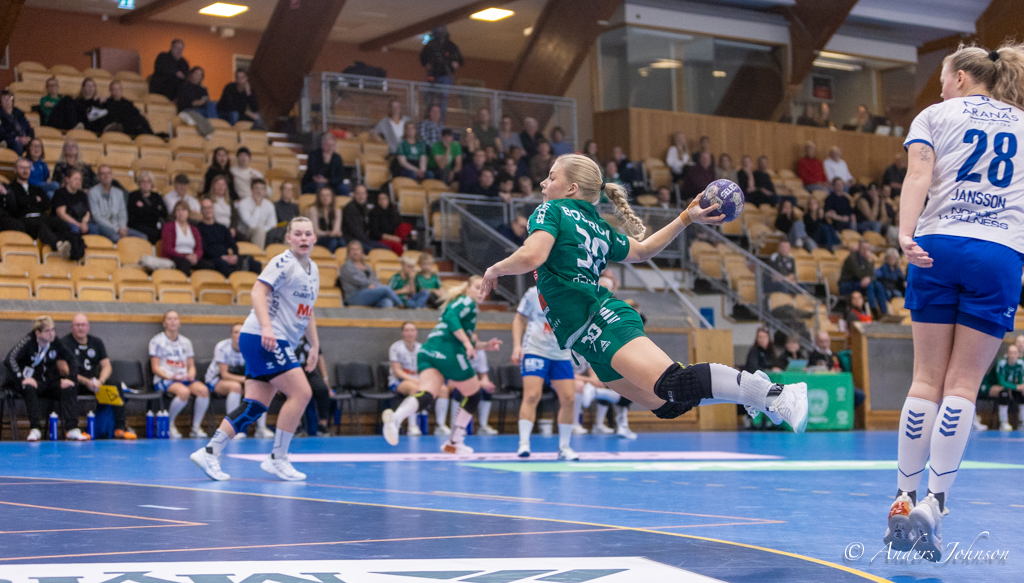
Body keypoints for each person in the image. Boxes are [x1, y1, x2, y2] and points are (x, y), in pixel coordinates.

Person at [480, 154, 809, 445]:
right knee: (668, 405)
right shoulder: (597, 225)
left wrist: (495, 269)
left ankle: (776, 394)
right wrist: (686, 217)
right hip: (584, 337)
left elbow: (532, 255)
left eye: (551, 177)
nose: (543, 183)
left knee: (673, 384)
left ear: (571, 188)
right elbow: (642, 251)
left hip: (600, 320)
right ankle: (752, 391)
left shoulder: (550, 210)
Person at [883, 44, 1024, 561]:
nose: (941, 88)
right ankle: (936, 503)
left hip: (937, 245)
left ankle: (904, 497)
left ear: (961, 77)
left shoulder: (935, 115)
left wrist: (904, 235)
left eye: (943, 78)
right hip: (998, 252)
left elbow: (918, 177)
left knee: (925, 381)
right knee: (963, 386)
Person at [191, 217, 321, 481]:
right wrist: (267, 328)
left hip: (272, 339)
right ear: (289, 238)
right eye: (298, 234)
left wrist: (314, 344)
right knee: (301, 393)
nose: (304, 238)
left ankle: (210, 452)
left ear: (314, 238)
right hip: (265, 336)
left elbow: (307, 311)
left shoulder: (313, 270)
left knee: (256, 405)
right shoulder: (283, 262)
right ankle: (278, 458)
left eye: (308, 234)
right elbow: (257, 292)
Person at [380, 276, 502, 453]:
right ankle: (454, 442)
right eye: (478, 287)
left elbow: (455, 334)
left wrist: (484, 346)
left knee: (427, 395)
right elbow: (450, 317)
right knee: (474, 395)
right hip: (448, 352)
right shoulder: (467, 302)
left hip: (429, 351)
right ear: (467, 288)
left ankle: (396, 419)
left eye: (485, 289)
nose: (482, 292)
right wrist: (467, 343)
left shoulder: (462, 305)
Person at [512, 285, 579, 460]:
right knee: (532, 395)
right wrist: (517, 346)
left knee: (569, 399)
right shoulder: (533, 292)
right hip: (535, 349)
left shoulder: (573, 293)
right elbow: (519, 318)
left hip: (561, 354)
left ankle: (564, 447)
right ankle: (524, 443)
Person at [6, 316, 85, 442]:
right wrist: (21, 378)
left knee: (69, 387)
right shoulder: (28, 341)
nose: (52, 334)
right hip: (34, 382)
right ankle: (35, 429)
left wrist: (71, 379)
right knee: (29, 387)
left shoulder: (55, 342)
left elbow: (72, 359)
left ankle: (72, 429)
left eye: (53, 330)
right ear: (38, 333)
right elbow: (10, 359)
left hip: (51, 382)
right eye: (47, 331)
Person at [64, 313, 134, 439]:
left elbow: (107, 366)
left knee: (115, 385)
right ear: (72, 327)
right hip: (77, 381)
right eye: (77, 325)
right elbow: (64, 370)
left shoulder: (96, 342)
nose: (81, 328)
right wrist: (86, 381)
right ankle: (72, 429)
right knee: (68, 387)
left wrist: (100, 381)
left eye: (83, 325)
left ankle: (120, 428)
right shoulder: (65, 343)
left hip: (95, 384)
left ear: (88, 326)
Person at [150, 310, 208, 439]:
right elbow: (155, 367)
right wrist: (169, 376)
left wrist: (191, 375)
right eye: (169, 319)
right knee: (184, 392)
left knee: (203, 390)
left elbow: (191, 366)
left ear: (179, 323)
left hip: (183, 377)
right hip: (165, 379)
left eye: (175, 319)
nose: (173, 322)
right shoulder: (157, 341)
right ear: (164, 323)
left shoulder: (186, 342)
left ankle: (196, 427)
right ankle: (169, 424)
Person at [8, 157, 79, 260]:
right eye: (22, 168)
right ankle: (58, 245)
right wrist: (34, 200)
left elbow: (46, 204)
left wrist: (27, 201)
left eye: (27, 168)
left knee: (61, 224)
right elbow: (16, 204)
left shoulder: (36, 188)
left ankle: (74, 250)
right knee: (40, 226)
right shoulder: (10, 188)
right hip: (24, 219)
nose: (25, 170)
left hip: (41, 216)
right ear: (15, 170)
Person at [387, 322, 437, 435]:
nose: (410, 333)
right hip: (398, 382)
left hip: (419, 381)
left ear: (416, 332)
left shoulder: (421, 348)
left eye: (412, 330)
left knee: (440, 390)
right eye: (407, 330)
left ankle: (440, 425)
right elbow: (397, 371)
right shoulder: (396, 347)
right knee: (415, 389)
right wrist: (415, 380)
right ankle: (412, 425)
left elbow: (426, 368)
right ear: (402, 333)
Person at [205, 324, 248, 435]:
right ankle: (232, 428)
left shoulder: (250, 347)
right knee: (235, 387)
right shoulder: (222, 347)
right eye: (236, 332)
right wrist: (246, 380)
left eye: (241, 332)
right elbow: (224, 375)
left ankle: (261, 428)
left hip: (238, 379)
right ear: (231, 335)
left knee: (259, 388)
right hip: (215, 380)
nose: (239, 335)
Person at [88, 165, 146, 242]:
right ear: (98, 177)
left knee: (143, 238)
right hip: (103, 226)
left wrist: (122, 227)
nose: (106, 176)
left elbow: (122, 214)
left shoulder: (119, 193)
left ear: (112, 176)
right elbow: (97, 218)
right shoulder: (93, 192)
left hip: (119, 227)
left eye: (108, 173)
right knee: (117, 238)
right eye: (103, 174)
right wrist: (117, 229)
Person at [338, 240, 404, 308]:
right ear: (349, 252)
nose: (355, 252)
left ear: (361, 251)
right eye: (352, 249)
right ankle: (401, 305)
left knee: (387, 302)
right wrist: (369, 285)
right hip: (354, 296)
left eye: (357, 249)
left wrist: (375, 286)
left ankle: (390, 314)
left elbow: (374, 279)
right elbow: (358, 281)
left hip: (369, 293)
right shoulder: (346, 267)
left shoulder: (366, 266)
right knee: (386, 288)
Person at [419, 25, 462, 120]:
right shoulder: (430, 45)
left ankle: (441, 120)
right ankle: (429, 117)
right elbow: (422, 57)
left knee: (443, 97)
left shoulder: (450, 46)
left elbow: (459, 59)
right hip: (432, 74)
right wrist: (426, 63)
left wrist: (455, 62)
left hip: (445, 75)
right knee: (427, 93)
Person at [840, 240, 888, 317]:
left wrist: (869, 278)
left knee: (878, 284)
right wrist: (870, 263)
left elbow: (873, 276)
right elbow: (859, 275)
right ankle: (873, 310)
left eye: (868, 248)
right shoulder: (852, 258)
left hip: (860, 283)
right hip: (848, 284)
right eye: (863, 248)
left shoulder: (867, 258)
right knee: (870, 284)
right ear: (859, 248)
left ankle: (884, 312)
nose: (866, 251)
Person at [196, 197, 242, 277]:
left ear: (213, 209)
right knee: (223, 264)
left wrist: (234, 256)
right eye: (205, 208)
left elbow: (232, 244)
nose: (208, 210)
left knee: (251, 262)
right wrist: (221, 257)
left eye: (210, 207)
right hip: (211, 258)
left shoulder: (222, 228)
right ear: (201, 211)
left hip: (227, 257)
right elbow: (204, 248)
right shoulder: (198, 229)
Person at [161, 200, 203, 275]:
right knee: (184, 263)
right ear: (175, 213)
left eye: (183, 210)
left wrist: (195, 256)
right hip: (175, 257)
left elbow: (199, 248)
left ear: (188, 212)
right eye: (178, 210)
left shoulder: (194, 229)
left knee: (208, 265)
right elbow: (168, 249)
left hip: (191, 257)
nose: (181, 213)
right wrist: (185, 256)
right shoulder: (169, 227)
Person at [990, 344, 1024, 432]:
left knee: (1022, 394)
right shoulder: (1002, 363)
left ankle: (1022, 422)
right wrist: (1016, 387)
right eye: (1010, 353)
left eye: (1015, 353)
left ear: (1018, 354)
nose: (1012, 355)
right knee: (1004, 393)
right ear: (1007, 354)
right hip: (1003, 388)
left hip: (1014, 389)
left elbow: (1020, 381)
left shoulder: (1020, 364)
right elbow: (1001, 382)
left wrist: (1020, 387)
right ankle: (1003, 422)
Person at [237, 178, 277, 249]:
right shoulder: (243, 204)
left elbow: (273, 224)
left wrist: (263, 230)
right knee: (259, 231)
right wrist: (258, 206)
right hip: (245, 233)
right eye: (256, 188)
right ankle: (258, 255)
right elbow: (252, 225)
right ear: (251, 190)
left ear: (265, 191)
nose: (259, 191)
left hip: (264, 232)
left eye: (262, 189)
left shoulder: (269, 205)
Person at [342, 184, 385, 250]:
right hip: (353, 241)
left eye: (363, 193)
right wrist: (367, 241)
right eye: (358, 194)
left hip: (363, 239)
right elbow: (355, 231)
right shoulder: (350, 208)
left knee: (386, 249)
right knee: (373, 251)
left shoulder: (364, 207)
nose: (361, 196)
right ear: (354, 195)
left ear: (366, 195)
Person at [52, 168, 92, 235]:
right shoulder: (60, 193)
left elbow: (87, 212)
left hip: (81, 221)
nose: (78, 182)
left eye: (80, 179)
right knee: (75, 229)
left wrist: (84, 223)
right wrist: (78, 224)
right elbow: (62, 214)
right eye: (75, 179)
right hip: (66, 222)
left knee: (94, 228)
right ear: (67, 179)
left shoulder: (82, 195)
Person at [369, 191, 410, 256]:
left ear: (388, 200)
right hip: (379, 239)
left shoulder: (392, 213)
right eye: (380, 199)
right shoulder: (373, 214)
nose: (382, 201)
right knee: (397, 246)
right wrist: (392, 238)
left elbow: (398, 225)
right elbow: (375, 233)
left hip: (393, 237)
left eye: (384, 198)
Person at [308, 186, 345, 253]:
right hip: (319, 238)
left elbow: (336, 229)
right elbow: (315, 230)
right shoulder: (313, 210)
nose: (325, 198)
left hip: (333, 237)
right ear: (319, 198)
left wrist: (332, 233)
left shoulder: (337, 211)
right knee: (333, 242)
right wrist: (327, 233)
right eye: (323, 196)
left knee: (341, 242)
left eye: (328, 195)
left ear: (332, 197)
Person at [0, 90, 34, 155]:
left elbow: (28, 128)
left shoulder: (19, 113)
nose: (7, 101)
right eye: (4, 99)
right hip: (8, 140)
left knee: (35, 143)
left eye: (9, 98)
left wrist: (28, 137)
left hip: (23, 138)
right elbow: (2, 133)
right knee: (17, 144)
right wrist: (16, 138)